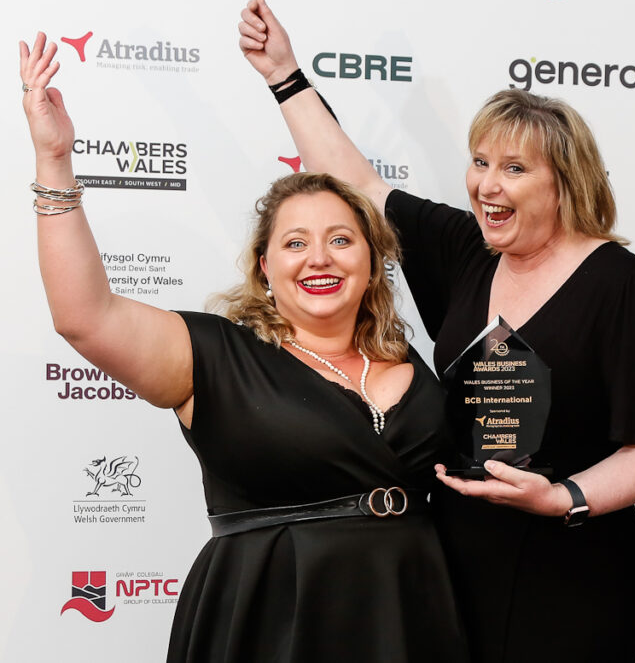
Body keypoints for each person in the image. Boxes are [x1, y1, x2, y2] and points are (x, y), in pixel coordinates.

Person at [238, 0, 635, 662]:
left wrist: (563, 497)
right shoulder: (464, 251)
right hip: (454, 556)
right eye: (480, 162)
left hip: (576, 568)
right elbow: (357, 182)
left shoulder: (621, 285)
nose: (487, 185)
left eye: (514, 168)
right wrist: (284, 75)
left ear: (564, 183)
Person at [20, 33, 469, 663]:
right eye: (295, 243)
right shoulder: (214, 357)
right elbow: (85, 317)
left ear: (373, 262)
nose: (319, 257)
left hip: (408, 614)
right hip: (270, 618)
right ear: (264, 268)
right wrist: (54, 160)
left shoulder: (414, 365)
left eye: (342, 239)